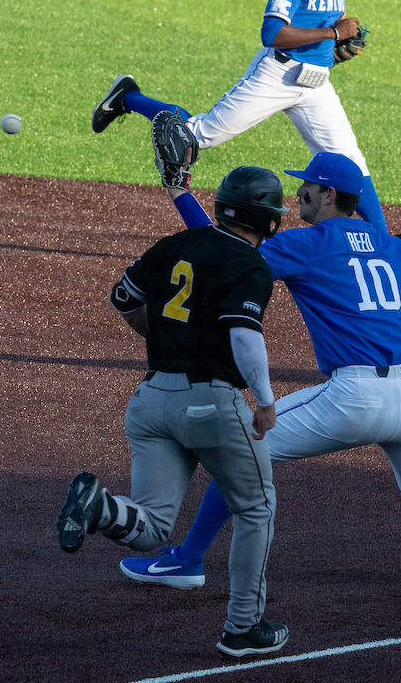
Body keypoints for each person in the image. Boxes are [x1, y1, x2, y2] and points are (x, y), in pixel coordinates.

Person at [117, 152, 401, 594]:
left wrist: (180, 191)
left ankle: (187, 560)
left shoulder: (308, 244)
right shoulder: (392, 246)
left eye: (307, 186)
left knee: (244, 445)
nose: (297, 193)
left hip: (355, 397)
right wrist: (379, 325)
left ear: (329, 194)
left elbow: (223, 251)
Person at [89, 0, 401, 254]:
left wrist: (334, 50)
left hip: (315, 87)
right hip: (277, 76)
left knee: (349, 160)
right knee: (198, 135)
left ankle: (387, 243)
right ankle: (128, 96)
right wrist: (333, 33)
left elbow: (323, 31)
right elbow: (272, 34)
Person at [55, 166, 291, 658]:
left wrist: (159, 336)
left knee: (153, 528)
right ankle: (243, 627)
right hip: (210, 404)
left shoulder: (171, 246)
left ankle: (102, 508)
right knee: (256, 507)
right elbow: (244, 336)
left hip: (150, 403)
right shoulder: (251, 266)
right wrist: (265, 401)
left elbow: (123, 297)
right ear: (269, 220)